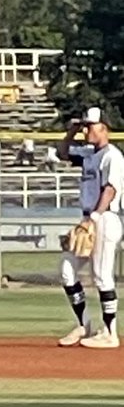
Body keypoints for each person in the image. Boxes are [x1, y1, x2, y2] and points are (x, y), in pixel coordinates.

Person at [56, 106, 124, 348]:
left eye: (90, 127)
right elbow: (62, 153)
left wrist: (93, 218)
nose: (87, 131)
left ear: (104, 128)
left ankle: (110, 333)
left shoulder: (112, 156)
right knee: (67, 270)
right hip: (88, 218)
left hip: (105, 218)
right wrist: (71, 131)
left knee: (102, 276)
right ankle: (84, 324)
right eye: (85, 127)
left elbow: (110, 189)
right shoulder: (88, 153)